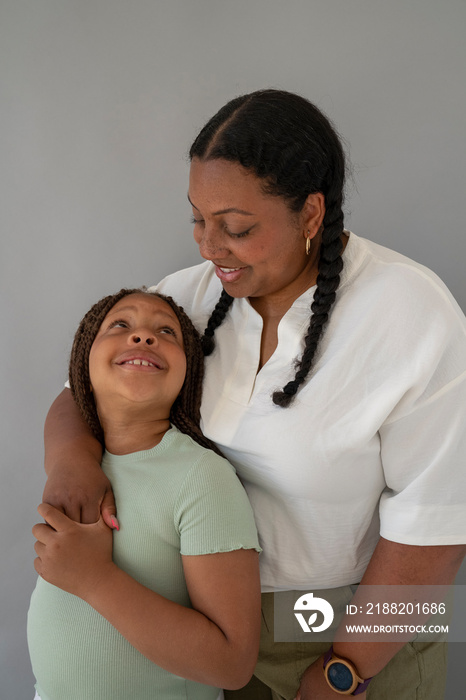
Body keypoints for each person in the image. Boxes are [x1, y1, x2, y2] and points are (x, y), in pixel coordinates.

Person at [41, 90, 466, 699]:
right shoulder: (187, 297)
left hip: (353, 630)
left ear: (312, 215)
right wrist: (71, 465)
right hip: (203, 629)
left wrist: (344, 671)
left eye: (236, 228)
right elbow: (79, 393)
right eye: (198, 219)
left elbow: (439, 532)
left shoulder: (413, 316)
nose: (209, 247)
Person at [29, 288, 261, 700]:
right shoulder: (76, 469)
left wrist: (94, 579)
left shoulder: (201, 477)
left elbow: (232, 663)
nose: (142, 337)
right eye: (120, 325)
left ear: (189, 373)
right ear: (83, 359)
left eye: (166, 332)